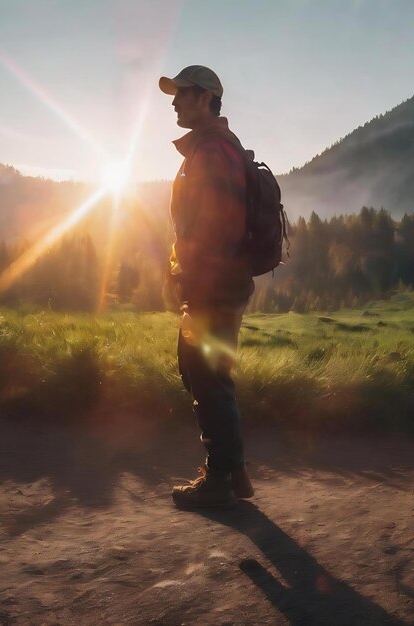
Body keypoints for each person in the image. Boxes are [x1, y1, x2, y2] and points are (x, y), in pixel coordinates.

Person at [159, 65, 255, 508]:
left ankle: (222, 480)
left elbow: (219, 225)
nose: (175, 101)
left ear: (206, 98)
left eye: (182, 93)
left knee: (205, 374)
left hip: (212, 287)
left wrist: (197, 281)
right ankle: (232, 475)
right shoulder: (209, 149)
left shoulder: (213, 152)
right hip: (215, 284)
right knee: (202, 372)